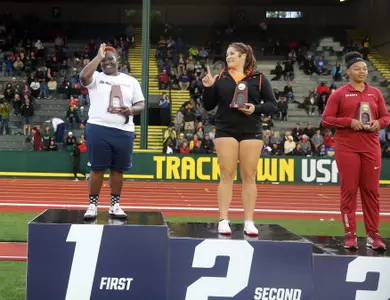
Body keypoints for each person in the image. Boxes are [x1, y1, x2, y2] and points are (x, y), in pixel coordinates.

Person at [202, 42, 277, 236]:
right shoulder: (220, 78)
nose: (228, 57)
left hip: (251, 130)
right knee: (226, 174)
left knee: (249, 175)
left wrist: (255, 108)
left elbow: (272, 105)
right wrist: (209, 87)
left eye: (233, 54)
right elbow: (209, 105)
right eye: (227, 54)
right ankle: (223, 219)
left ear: (244, 56)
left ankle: (249, 221)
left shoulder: (259, 78)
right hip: (225, 129)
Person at [322, 51, 389, 251]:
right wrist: (349, 122)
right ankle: (350, 235)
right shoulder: (339, 94)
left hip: (370, 148)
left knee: (371, 192)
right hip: (347, 148)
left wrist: (378, 123)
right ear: (348, 71)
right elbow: (326, 119)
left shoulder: (375, 93)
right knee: (349, 192)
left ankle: (373, 235)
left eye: (365, 68)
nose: (362, 71)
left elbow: (386, 117)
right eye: (358, 68)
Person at [80, 43, 145, 219]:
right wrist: (97, 58)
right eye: (104, 60)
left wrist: (131, 110)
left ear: (118, 61)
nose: (106, 63)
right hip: (98, 128)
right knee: (97, 170)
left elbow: (141, 104)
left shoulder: (130, 81)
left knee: (118, 171)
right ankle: (92, 205)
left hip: (123, 130)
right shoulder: (97, 77)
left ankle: (114, 205)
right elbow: (83, 77)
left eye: (110, 59)